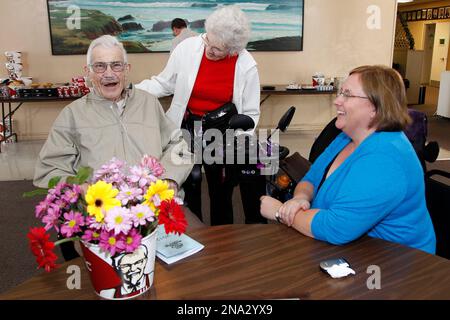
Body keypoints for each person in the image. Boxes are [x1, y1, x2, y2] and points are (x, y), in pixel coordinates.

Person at [33, 35, 202, 257]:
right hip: (101, 215)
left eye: (116, 65)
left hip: (155, 206)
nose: (109, 73)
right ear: (89, 71)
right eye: (100, 66)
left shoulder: (149, 103)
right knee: (110, 277)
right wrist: (81, 189)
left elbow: (178, 146)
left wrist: (169, 178)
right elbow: (49, 170)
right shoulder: (72, 115)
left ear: (126, 69)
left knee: (196, 260)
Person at [260, 65, 436, 254]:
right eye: (340, 93)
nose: (337, 101)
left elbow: (336, 228)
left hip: (395, 265)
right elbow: (311, 178)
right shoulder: (346, 137)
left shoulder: (385, 158)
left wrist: (280, 212)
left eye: (347, 94)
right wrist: (299, 199)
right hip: (351, 251)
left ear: (376, 107)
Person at [136, 5, 263, 226]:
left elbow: (251, 113)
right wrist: (131, 91)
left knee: (220, 191)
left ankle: (222, 242)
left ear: (233, 49)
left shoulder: (246, 65)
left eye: (218, 49)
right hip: (187, 125)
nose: (210, 51)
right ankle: (192, 240)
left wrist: (239, 141)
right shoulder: (187, 48)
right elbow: (163, 83)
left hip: (222, 133)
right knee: (188, 186)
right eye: (208, 42)